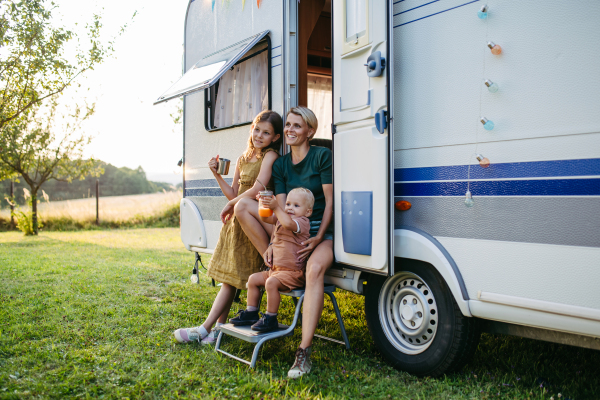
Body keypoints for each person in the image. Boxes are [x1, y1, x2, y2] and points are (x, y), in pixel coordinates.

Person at [235, 107, 333, 378]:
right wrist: (273, 244)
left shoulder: (322, 156)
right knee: (243, 205)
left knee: (314, 270)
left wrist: (317, 237)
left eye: (297, 126)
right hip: (287, 230)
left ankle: (303, 351)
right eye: (288, 125)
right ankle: (277, 264)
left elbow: (330, 202)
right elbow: (278, 207)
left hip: (320, 231)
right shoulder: (280, 164)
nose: (290, 130)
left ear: (310, 132)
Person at [173, 110, 283, 345]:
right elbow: (234, 193)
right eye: (256, 129)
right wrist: (216, 174)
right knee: (229, 279)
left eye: (266, 133)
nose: (259, 135)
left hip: (253, 222)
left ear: (275, 138)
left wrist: (232, 204)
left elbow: (259, 186)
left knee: (230, 281)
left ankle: (205, 329)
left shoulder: (271, 156)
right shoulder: (243, 158)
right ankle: (216, 331)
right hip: (237, 222)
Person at [229, 188, 313, 332]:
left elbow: (288, 224)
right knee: (253, 279)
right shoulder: (281, 218)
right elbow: (265, 218)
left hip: (292, 273)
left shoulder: (302, 223)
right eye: (288, 204)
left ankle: (270, 318)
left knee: (271, 283)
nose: (290, 208)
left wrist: (276, 207)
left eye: (296, 206)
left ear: (308, 212)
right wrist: (264, 204)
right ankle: (251, 312)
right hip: (275, 271)